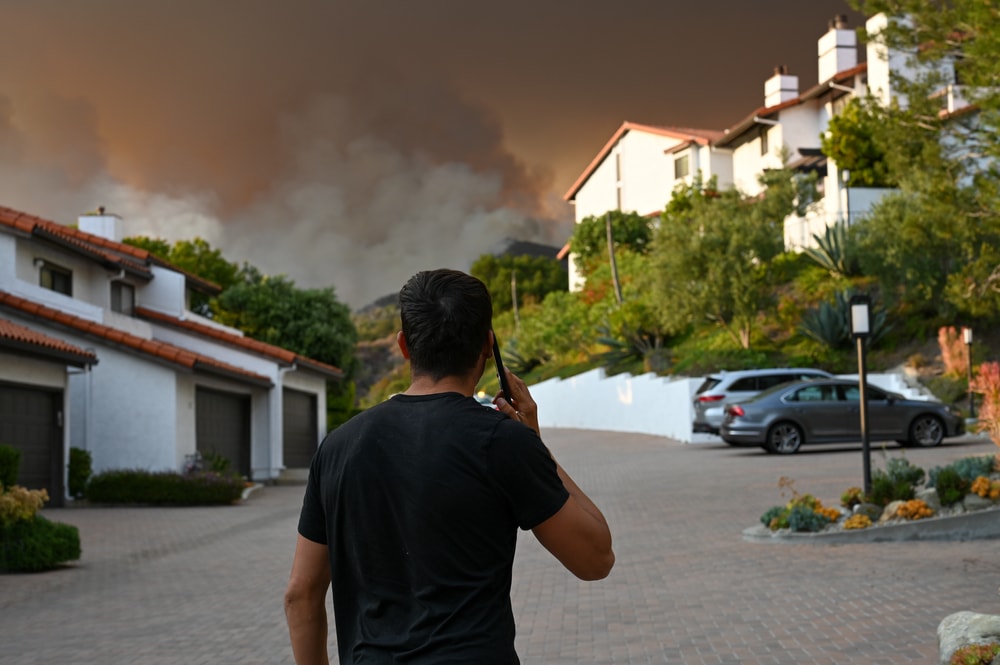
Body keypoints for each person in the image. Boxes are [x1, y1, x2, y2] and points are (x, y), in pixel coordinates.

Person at [284, 268, 614, 664]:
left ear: (405, 346)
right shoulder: (502, 442)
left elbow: (300, 595)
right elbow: (596, 559)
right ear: (488, 347)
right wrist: (535, 443)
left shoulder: (337, 448)